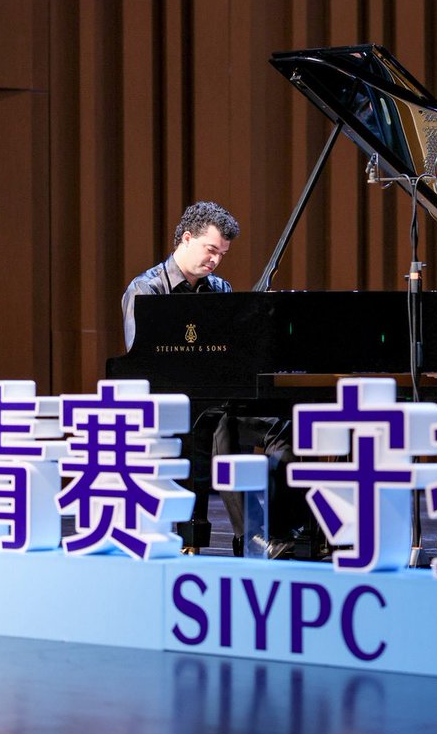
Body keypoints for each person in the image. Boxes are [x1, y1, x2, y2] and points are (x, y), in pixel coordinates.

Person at [122, 201, 309, 558]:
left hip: (217, 398)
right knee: (222, 425)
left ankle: (282, 525)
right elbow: (142, 365)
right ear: (187, 238)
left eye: (222, 254)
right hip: (169, 406)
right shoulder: (146, 291)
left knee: (283, 426)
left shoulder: (219, 289)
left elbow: (235, 354)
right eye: (211, 250)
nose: (216, 261)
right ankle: (254, 536)